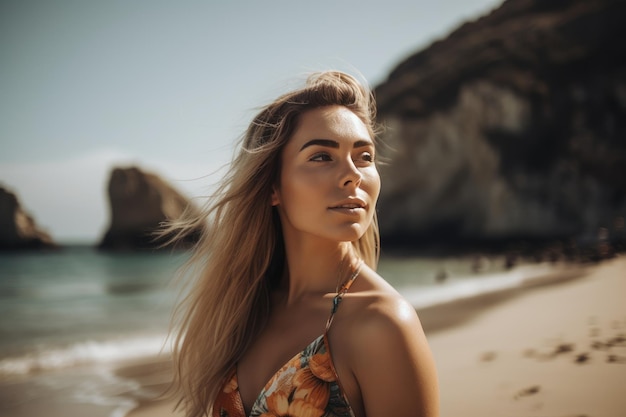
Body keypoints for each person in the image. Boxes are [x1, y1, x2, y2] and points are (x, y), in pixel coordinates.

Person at [166, 71, 439, 417]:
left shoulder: (381, 324)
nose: (353, 173)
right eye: (322, 156)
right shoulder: (244, 311)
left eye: (364, 156)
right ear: (272, 188)